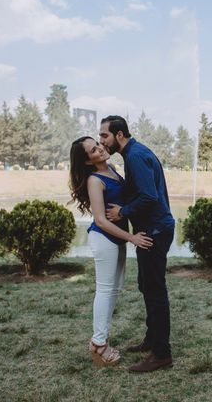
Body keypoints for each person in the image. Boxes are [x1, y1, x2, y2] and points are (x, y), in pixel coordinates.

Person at [99, 115, 176, 373]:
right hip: (150, 229)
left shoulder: (133, 157)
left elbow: (149, 197)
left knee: (155, 291)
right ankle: (152, 339)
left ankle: (162, 354)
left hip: (154, 231)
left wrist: (123, 212)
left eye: (104, 135)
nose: (102, 140)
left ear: (119, 135)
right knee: (147, 285)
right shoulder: (134, 153)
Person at [69, 136, 153, 367]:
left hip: (118, 238)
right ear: (87, 161)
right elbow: (101, 221)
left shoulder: (113, 169)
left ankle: (102, 339)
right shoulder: (94, 180)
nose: (100, 149)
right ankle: (98, 344)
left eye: (97, 143)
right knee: (105, 291)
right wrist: (132, 238)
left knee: (115, 290)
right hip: (104, 237)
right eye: (93, 150)